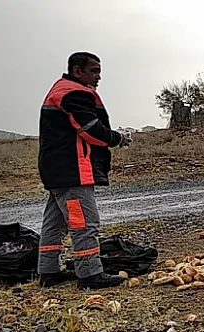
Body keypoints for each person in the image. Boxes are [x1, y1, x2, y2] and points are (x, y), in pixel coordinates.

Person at [37, 51, 133, 289]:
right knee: (84, 222)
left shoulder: (60, 89)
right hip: (73, 171)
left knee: (55, 222)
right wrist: (117, 138)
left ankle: (48, 271)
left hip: (57, 170)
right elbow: (91, 130)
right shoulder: (74, 92)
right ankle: (90, 274)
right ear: (77, 70)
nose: (98, 77)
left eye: (99, 71)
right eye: (94, 71)